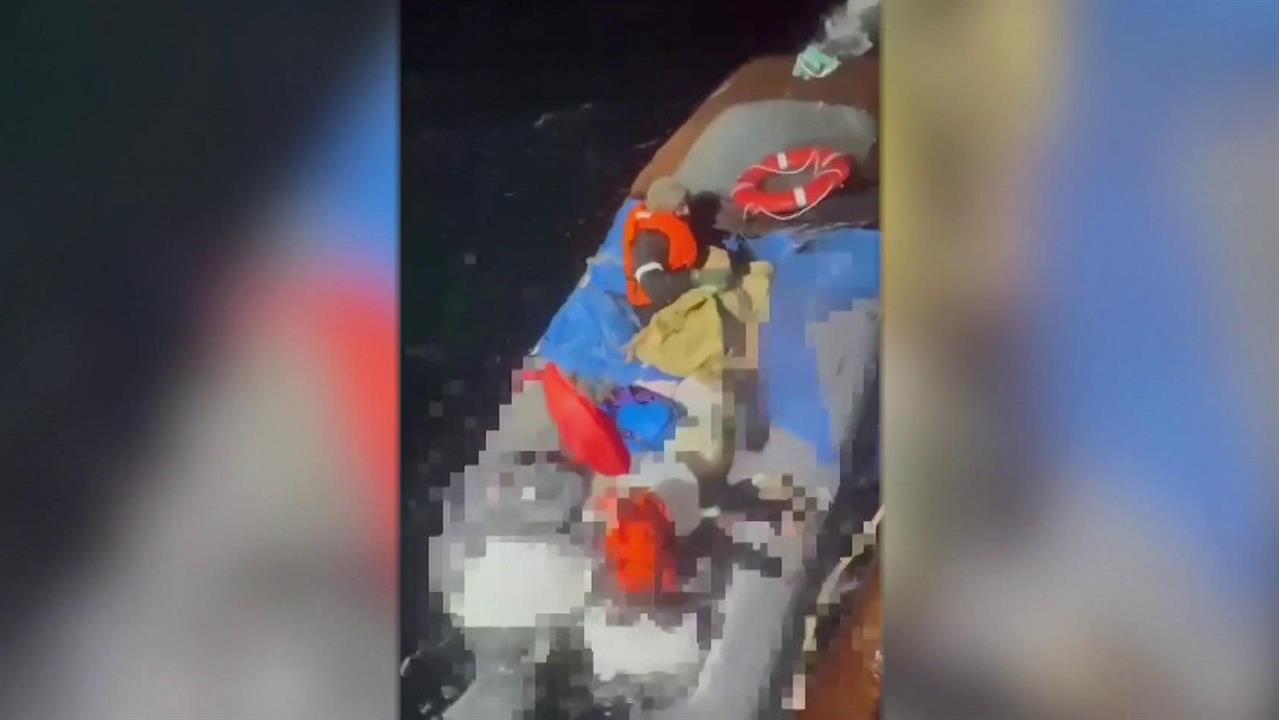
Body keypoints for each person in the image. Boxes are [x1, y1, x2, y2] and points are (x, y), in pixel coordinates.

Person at [623, 176, 701, 321]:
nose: (687, 211)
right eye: (680, 207)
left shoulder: (675, 220)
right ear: (665, 209)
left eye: (686, 203)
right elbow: (654, 287)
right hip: (654, 306)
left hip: (677, 284)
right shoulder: (650, 239)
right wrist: (697, 278)